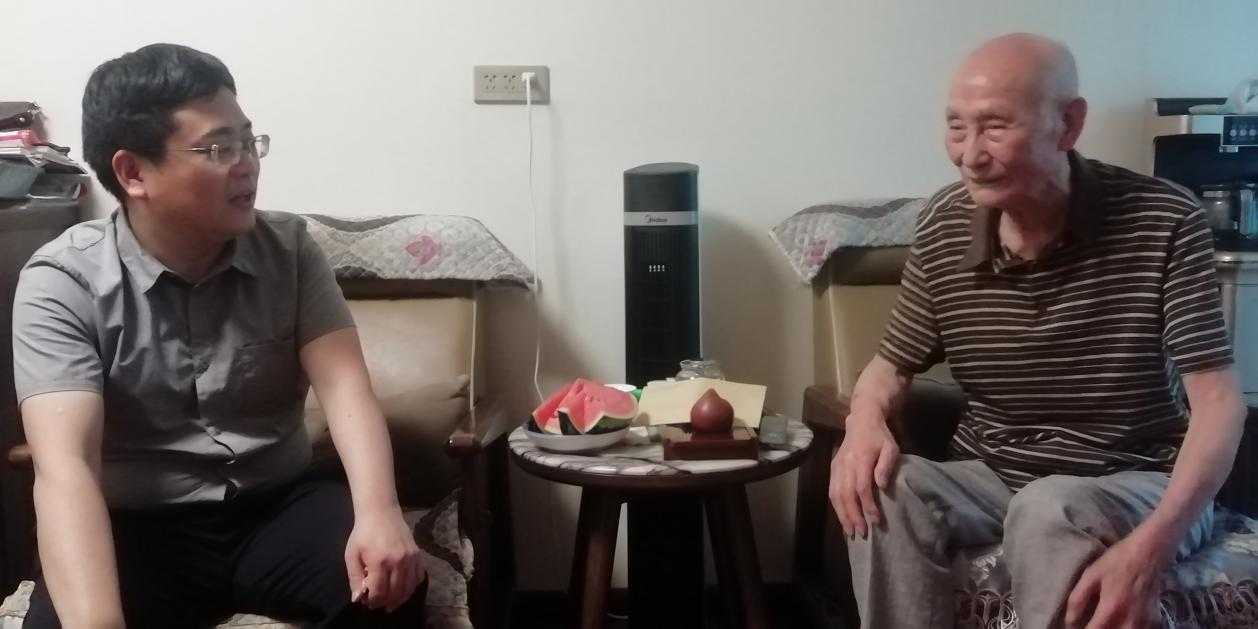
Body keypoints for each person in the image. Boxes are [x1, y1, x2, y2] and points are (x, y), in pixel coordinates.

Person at [829, 33, 1245, 629]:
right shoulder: (945, 223)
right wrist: (862, 423)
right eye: (956, 127)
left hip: (1135, 478)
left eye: (995, 127)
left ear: (1068, 124)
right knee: (883, 487)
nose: (969, 154)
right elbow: (888, 368)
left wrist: (1152, 548)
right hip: (992, 476)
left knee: (1048, 506)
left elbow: (1219, 404)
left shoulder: (1165, 220)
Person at [12, 43, 426, 628]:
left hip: (276, 505)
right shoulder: (63, 282)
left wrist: (380, 512)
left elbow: (345, 389)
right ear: (133, 173)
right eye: (219, 148)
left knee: (390, 587)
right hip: (137, 526)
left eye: (249, 142)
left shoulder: (289, 250)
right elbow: (66, 467)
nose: (247, 165)